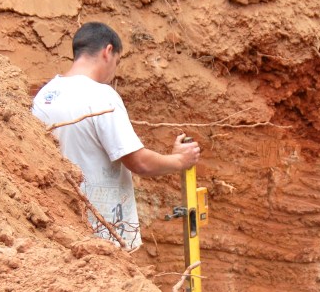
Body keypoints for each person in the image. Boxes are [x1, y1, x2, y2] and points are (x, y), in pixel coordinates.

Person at [32, 22, 200, 249]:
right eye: (117, 62)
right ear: (108, 51)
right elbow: (139, 162)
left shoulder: (44, 96)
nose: (114, 72)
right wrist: (180, 160)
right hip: (104, 236)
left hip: (61, 230)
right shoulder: (101, 96)